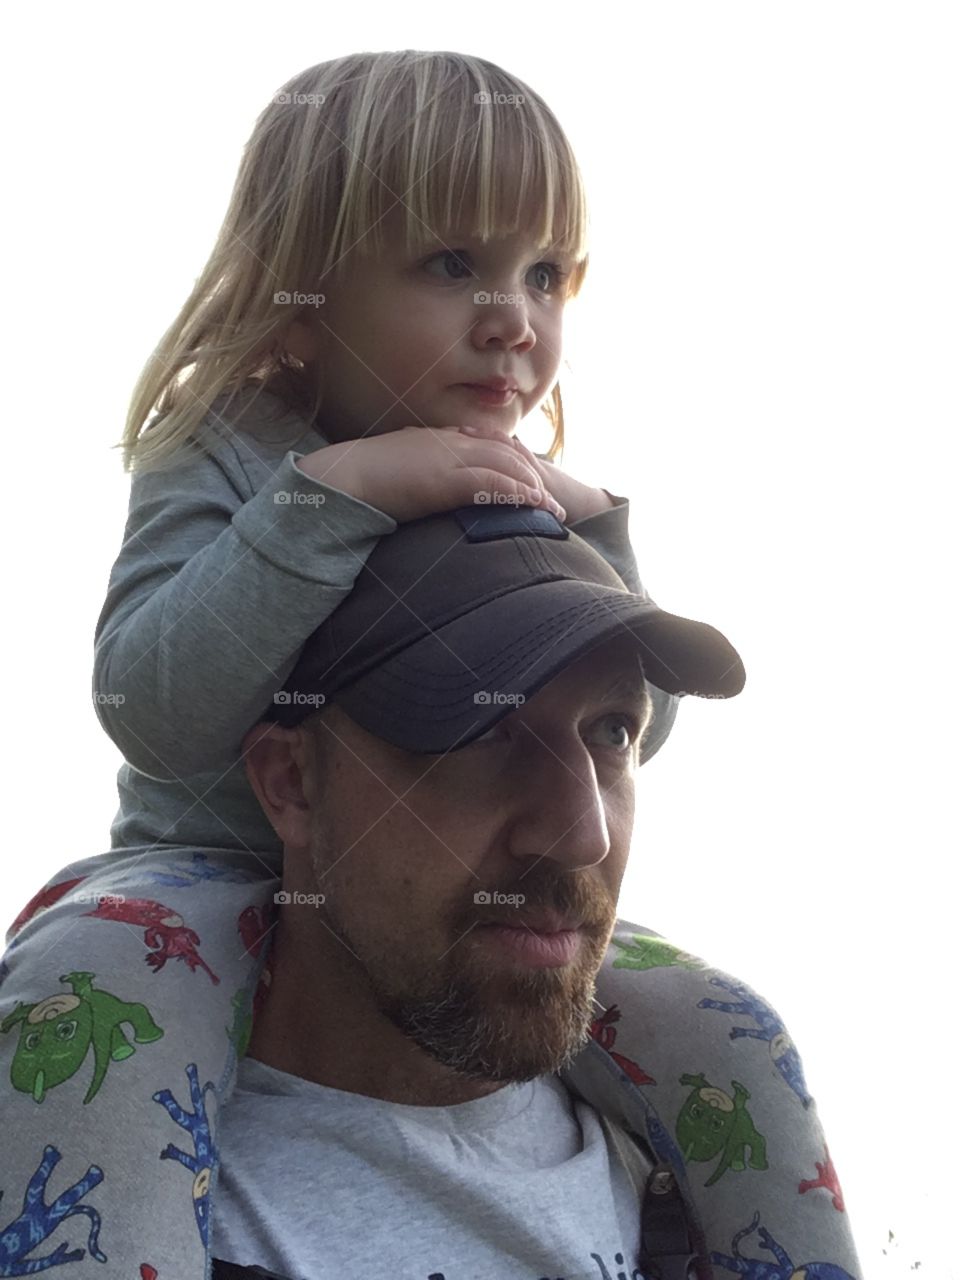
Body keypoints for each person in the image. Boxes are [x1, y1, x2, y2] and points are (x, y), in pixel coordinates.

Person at [0, 50, 693, 1277]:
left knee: (728, 1028)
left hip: (453, 918)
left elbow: (642, 721)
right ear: (304, 287)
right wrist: (335, 495)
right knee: (84, 974)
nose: (513, 317)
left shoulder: (515, 487)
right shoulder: (224, 449)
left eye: (544, 273)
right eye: (451, 264)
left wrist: (601, 528)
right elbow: (151, 709)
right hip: (204, 881)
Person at [205, 503, 860, 1280]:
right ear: (293, 783)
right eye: (482, 729)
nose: (583, 834)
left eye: (613, 730)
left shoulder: (696, 1178)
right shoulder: (115, 1188)